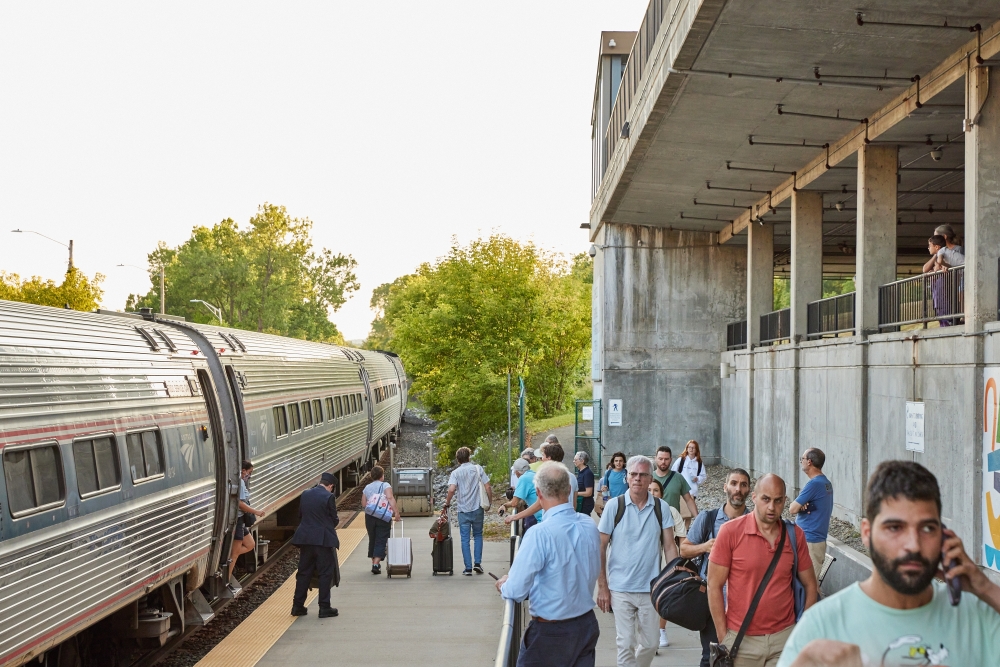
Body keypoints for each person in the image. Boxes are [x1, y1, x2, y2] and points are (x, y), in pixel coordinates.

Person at [777, 460, 1000, 667]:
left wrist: (986, 588)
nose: (913, 545)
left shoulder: (978, 616)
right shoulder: (821, 628)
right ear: (866, 533)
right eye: (894, 528)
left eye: (927, 528)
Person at [496, 463, 602, 667]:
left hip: (551, 633)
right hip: (586, 624)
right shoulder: (588, 525)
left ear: (538, 493)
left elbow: (516, 590)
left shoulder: (539, 534)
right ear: (570, 489)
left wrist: (504, 584)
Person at [708, 473, 818, 667]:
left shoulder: (795, 535)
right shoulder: (730, 532)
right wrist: (724, 636)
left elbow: (811, 585)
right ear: (754, 497)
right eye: (766, 499)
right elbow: (714, 586)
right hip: (741, 641)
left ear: (785, 500)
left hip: (785, 638)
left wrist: (803, 631)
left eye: (777, 501)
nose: (771, 507)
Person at [597, 455, 677, 667]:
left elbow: (670, 546)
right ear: (626, 477)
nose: (637, 479)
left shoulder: (661, 508)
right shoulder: (614, 506)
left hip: (651, 589)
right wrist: (602, 586)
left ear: (651, 478)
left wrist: (675, 582)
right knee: (625, 643)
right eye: (633, 474)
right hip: (620, 588)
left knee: (651, 644)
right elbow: (600, 546)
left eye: (642, 475)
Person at [680, 468, 752, 667]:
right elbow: (684, 550)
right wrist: (706, 546)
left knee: (741, 658)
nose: (738, 489)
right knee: (711, 657)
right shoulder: (708, 518)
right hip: (713, 601)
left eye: (743, 484)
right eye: (734, 483)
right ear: (725, 487)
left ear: (749, 491)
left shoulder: (754, 522)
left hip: (744, 604)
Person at [290, 472, 340, 618]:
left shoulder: (305, 494)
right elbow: (334, 520)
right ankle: (324, 607)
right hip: (323, 541)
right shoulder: (329, 497)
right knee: (325, 573)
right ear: (330, 486)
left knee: (304, 572)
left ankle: (297, 606)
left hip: (305, 539)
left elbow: (300, 514)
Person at [443, 446, 492, 576]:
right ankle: (478, 563)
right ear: (469, 457)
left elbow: (452, 489)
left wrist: (447, 503)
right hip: (477, 508)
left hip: (463, 510)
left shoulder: (456, 473)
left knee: (464, 538)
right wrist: (489, 502)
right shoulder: (478, 469)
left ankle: (468, 568)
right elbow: (487, 486)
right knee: (478, 535)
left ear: (458, 460)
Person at [650, 478, 686, 649]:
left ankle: (661, 629)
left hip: (666, 560)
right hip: (645, 562)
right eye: (649, 490)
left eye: (655, 490)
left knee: (662, 596)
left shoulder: (671, 511)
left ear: (661, 494)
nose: (652, 494)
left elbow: (682, 538)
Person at [504, 442, 578, 525]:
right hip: (570, 521)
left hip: (550, 523)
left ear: (549, 458)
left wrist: (515, 517)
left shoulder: (547, 478)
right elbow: (574, 504)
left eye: (543, 456)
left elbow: (539, 504)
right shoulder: (573, 477)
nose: (542, 459)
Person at [789, 449, 833, 578]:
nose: (801, 462)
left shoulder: (814, 484)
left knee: (810, 585)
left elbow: (792, 508)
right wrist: (801, 505)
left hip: (810, 541)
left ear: (809, 462)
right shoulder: (825, 483)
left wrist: (799, 505)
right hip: (815, 540)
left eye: (802, 459)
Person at [228, 460, 265, 588]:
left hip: (241, 520)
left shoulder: (239, 481)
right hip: (237, 520)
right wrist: (256, 512)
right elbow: (240, 504)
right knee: (235, 552)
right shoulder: (240, 482)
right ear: (243, 471)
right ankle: (226, 579)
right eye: (249, 473)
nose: (249, 476)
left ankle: (231, 556)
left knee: (250, 544)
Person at [361, 465, 400, 575]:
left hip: (369, 516)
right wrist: (396, 513)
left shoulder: (367, 487)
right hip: (383, 517)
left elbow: (364, 504)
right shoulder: (385, 485)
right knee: (381, 538)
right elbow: (390, 498)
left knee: (372, 538)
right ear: (382, 476)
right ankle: (376, 564)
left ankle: (374, 562)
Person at [653, 446, 698, 518]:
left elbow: (689, 500)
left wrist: (698, 518)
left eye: (666, 459)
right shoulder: (648, 478)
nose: (663, 462)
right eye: (660, 459)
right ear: (655, 459)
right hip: (653, 520)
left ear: (671, 460)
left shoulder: (678, 477)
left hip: (674, 521)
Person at [673, 440, 708, 528]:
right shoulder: (681, 460)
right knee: (682, 512)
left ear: (696, 450)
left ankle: (685, 530)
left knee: (689, 513)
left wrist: (698, 478)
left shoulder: (699, 463)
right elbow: (673, 471)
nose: (691, 449)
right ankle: (679, 530)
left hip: (692, 491)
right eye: (689, 447)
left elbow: (703, 476)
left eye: (693, 448)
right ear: (687, 448)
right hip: (681, 490)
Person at [574, 451, 596, 515]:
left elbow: (588, 493)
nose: (574, 461)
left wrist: (575, 493)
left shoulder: (587, 473)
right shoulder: (580, 472)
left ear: (582, 461)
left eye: (575, 460)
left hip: (585, 504)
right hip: (580, 503)